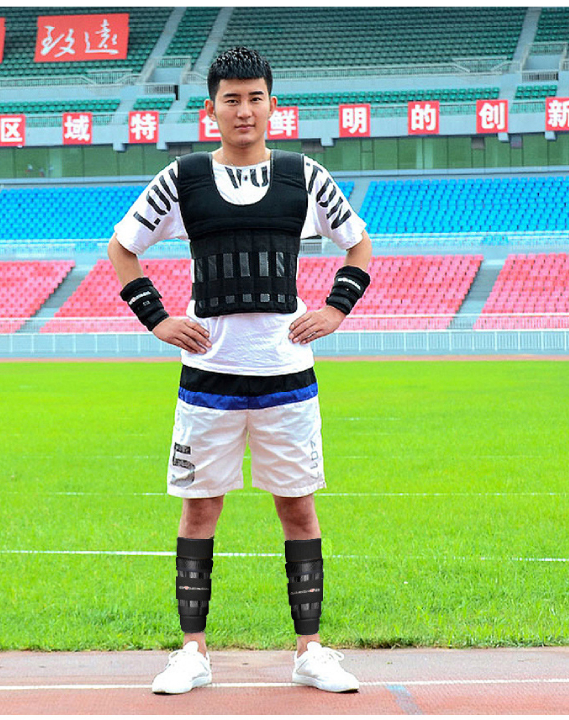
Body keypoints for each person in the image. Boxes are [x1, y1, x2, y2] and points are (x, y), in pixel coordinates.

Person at [108, 46, 372, 695]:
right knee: (200, 511)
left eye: (255, 97)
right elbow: (122, 247)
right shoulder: (183, 178)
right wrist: (157, 319)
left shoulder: (304, 176)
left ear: (272, 105)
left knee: (298, 509)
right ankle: (192, 652)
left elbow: (358, 243)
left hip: (287, 377)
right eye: (232, 98)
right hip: (209, 379)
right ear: (212, 109)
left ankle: (310, 651)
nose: (244, 109)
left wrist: (336, 309)